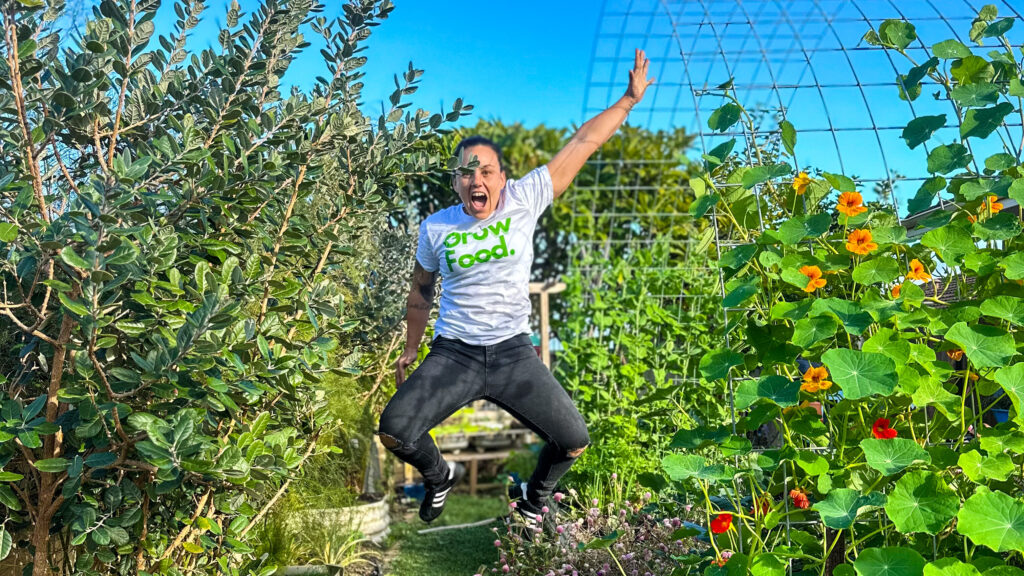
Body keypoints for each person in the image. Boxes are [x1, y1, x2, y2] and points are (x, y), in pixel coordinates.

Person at [377, 49, 655, 527]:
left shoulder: (526, 199)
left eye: (486, 171)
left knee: (573, 440)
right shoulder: (436, 228)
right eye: (467, 172)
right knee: (395, 430)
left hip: (512, 355)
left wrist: (628, 102)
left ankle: (532, 502)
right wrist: (411, 348)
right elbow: (421, 292)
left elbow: (583, 142)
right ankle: (440, 476)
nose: (476, 179)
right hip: (454, 354)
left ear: (502, 178)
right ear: (457, 181)